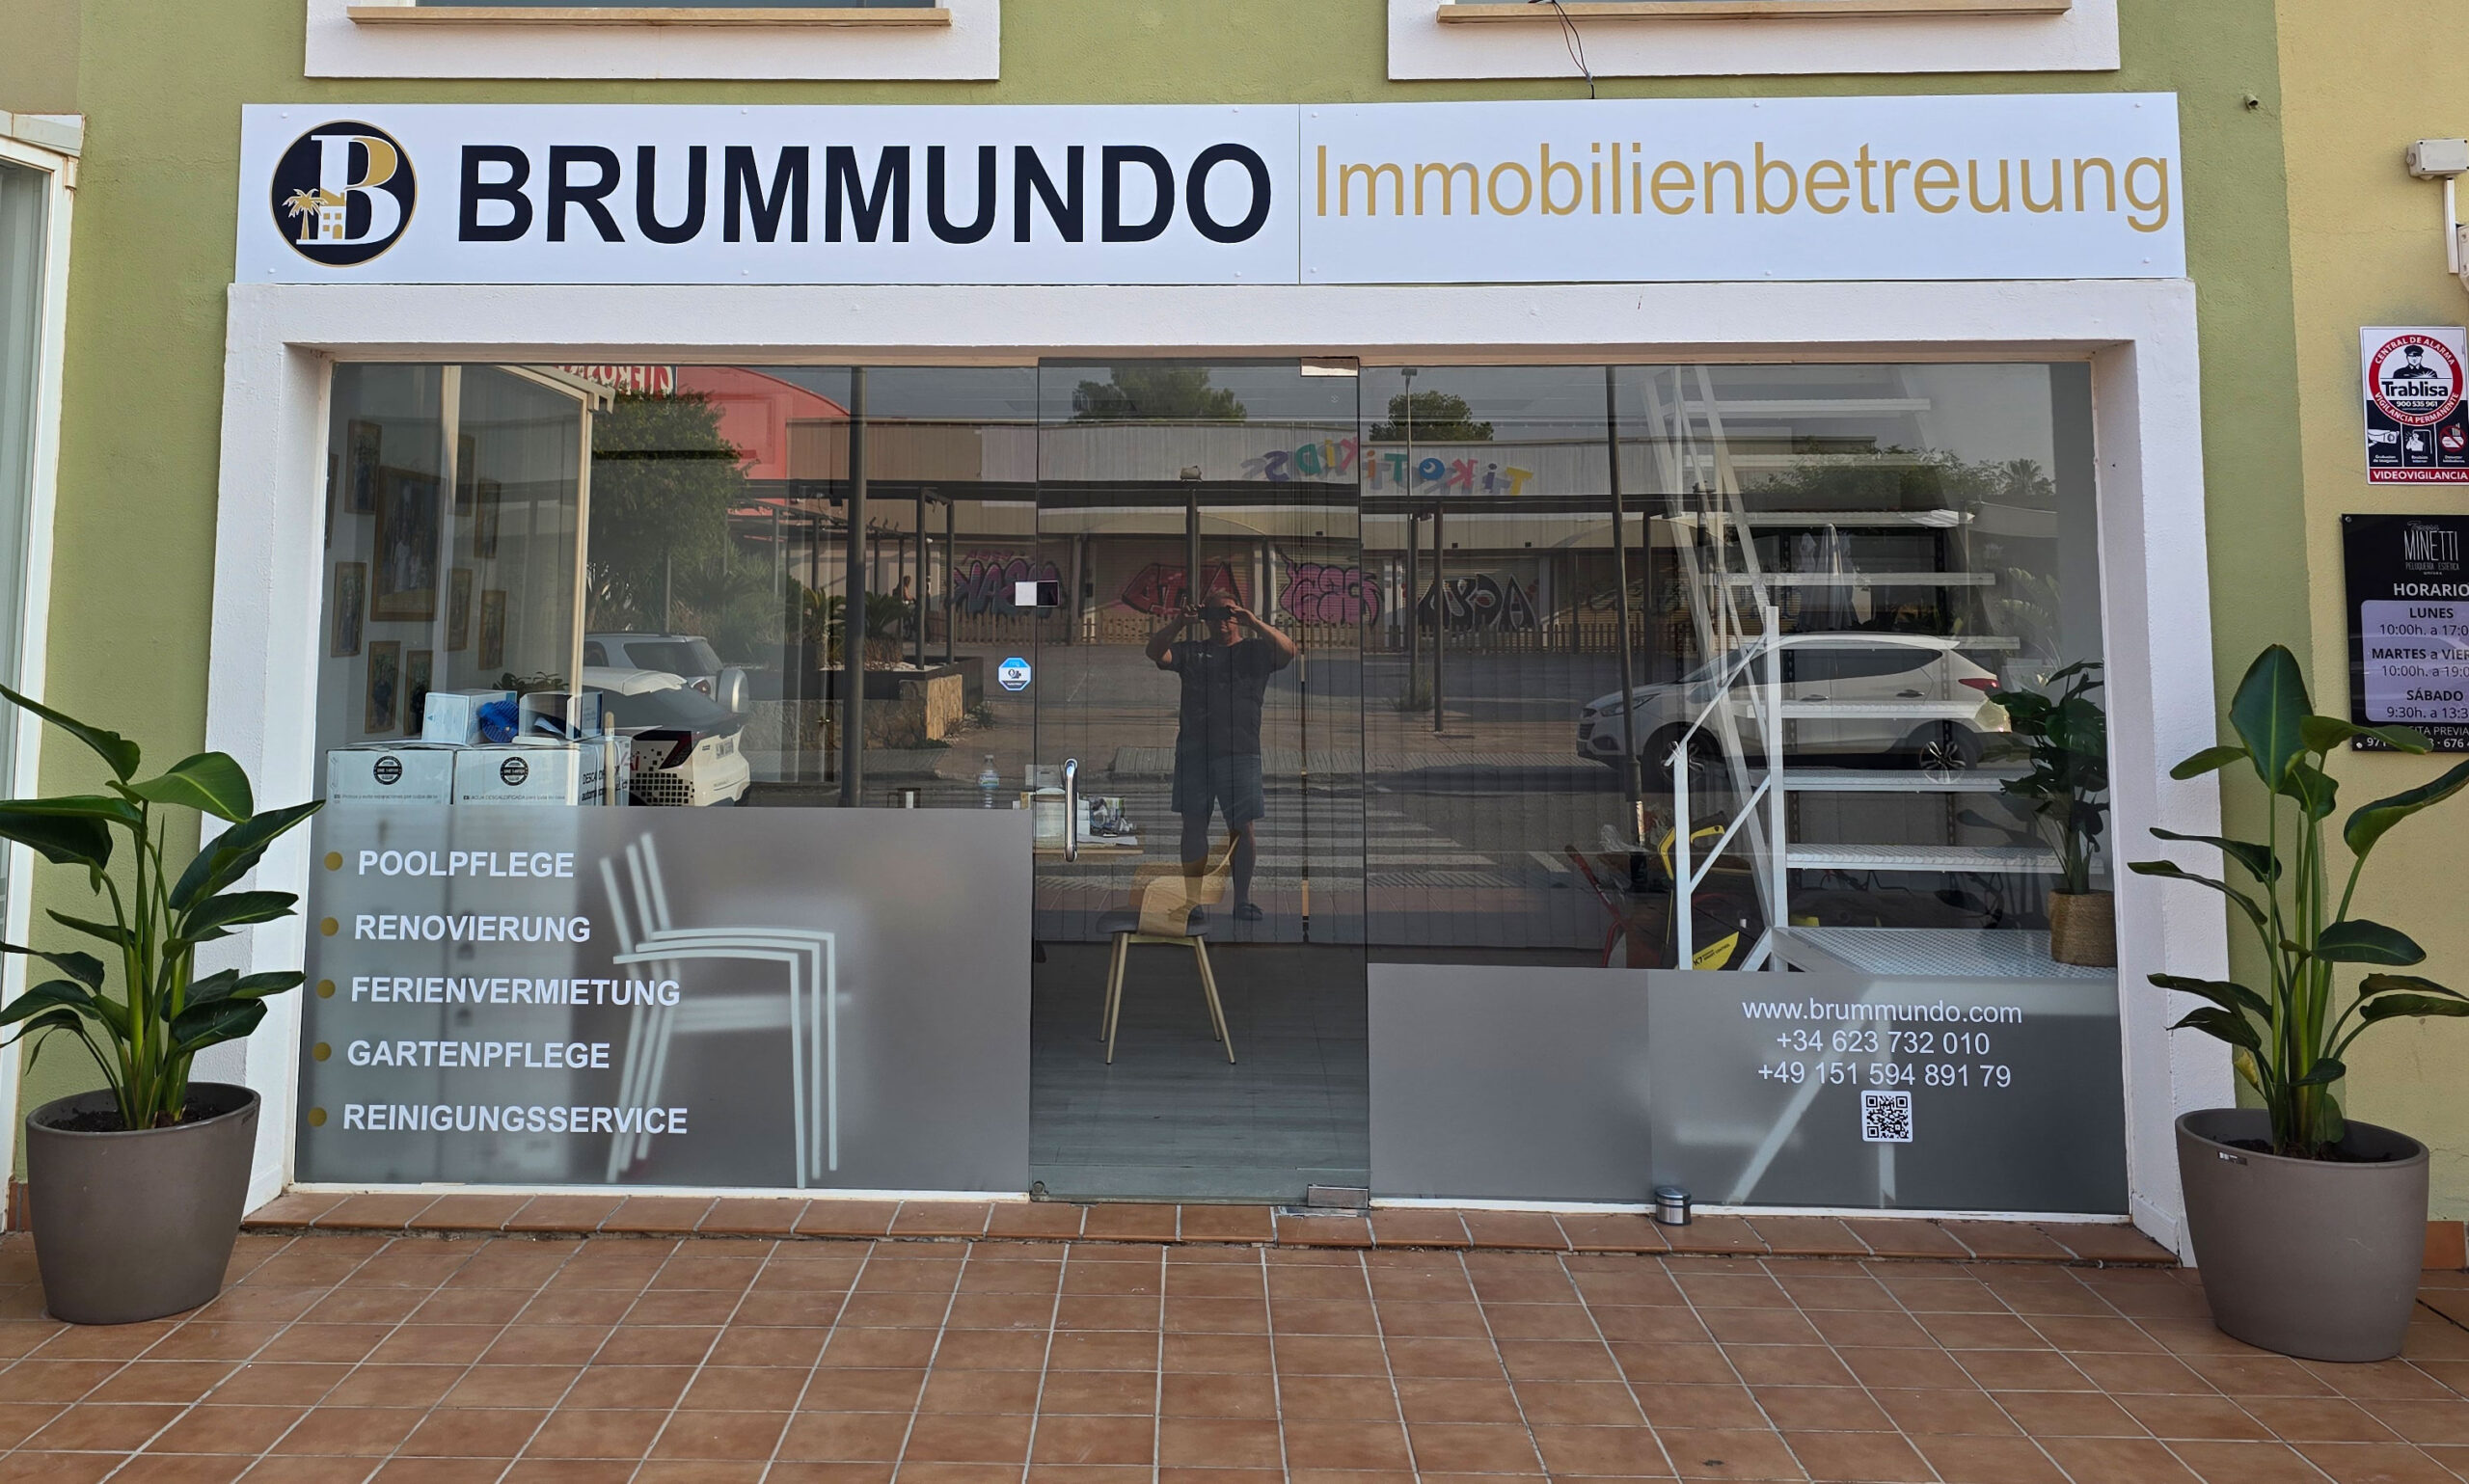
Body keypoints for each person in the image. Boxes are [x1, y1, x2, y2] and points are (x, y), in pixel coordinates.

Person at [1145, 597, 1299, 921]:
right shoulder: (1192, 651)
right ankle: (1193, 902)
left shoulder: (1255, 651)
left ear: (1238, 615)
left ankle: (1242, 900)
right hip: (1194, 753)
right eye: (1215, 614)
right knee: (1193, 826)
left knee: (1242, 828)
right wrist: (1179, 623)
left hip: (1240, 752)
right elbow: (1155, 652)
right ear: (1205, 617)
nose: (1222, 621)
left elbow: (1288, 651)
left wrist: (1253, 622)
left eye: (1229, 614)